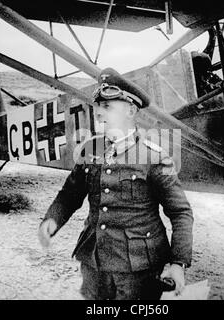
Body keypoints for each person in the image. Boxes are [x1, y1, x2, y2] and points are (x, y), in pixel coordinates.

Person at [38, 67, 194, 300]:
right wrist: (52, 219)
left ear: (131, 110)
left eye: (107, 106)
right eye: (98, 106)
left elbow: (180, 212)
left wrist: (178, 262)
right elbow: (70, 194)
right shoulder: (92, 149)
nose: (99, 113)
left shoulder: (154, 157)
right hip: (94, 262)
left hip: (138, 269)